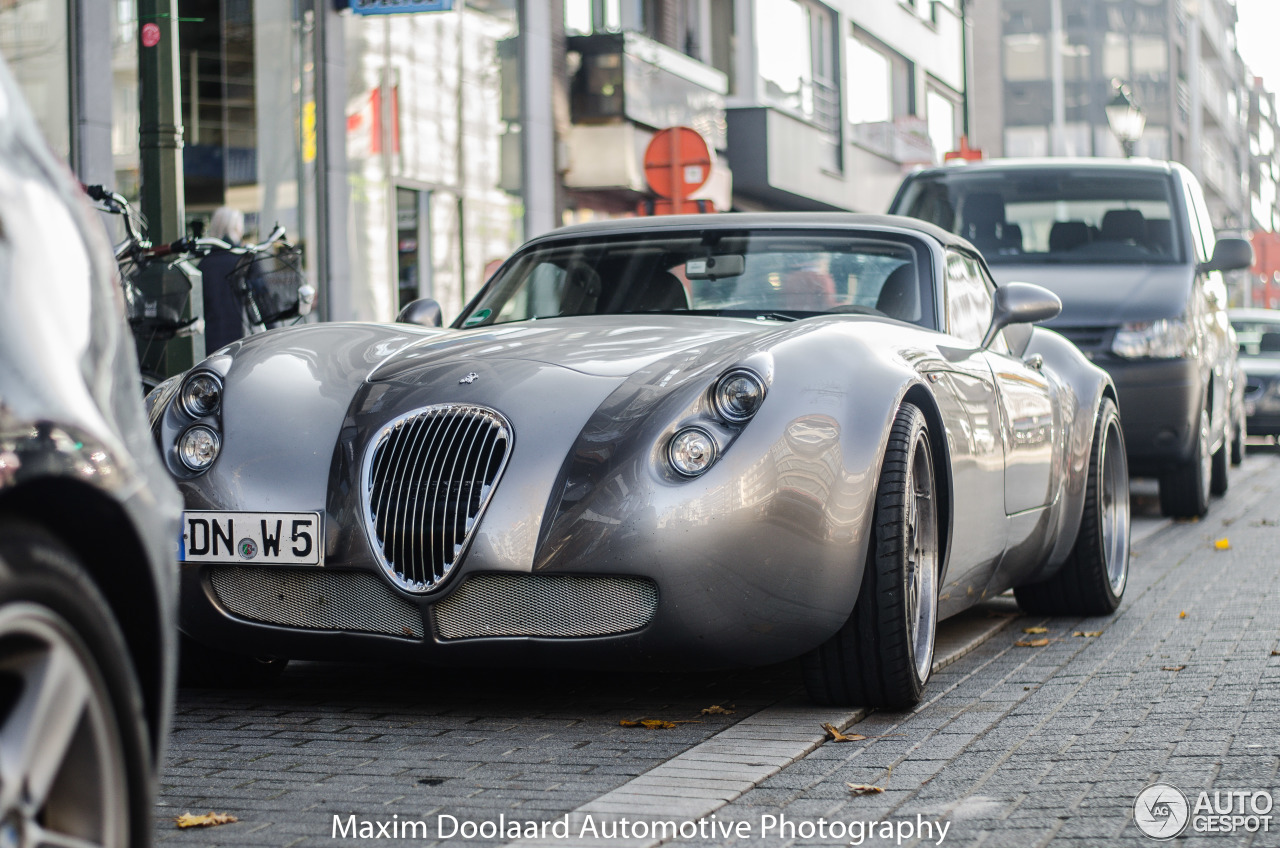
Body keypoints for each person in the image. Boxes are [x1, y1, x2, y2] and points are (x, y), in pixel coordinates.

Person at [200, 207, 248, 352]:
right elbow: (263, 302)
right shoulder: (245, 261)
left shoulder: (204, 265)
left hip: (210, 345)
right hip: (244, 344)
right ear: (237, 228)